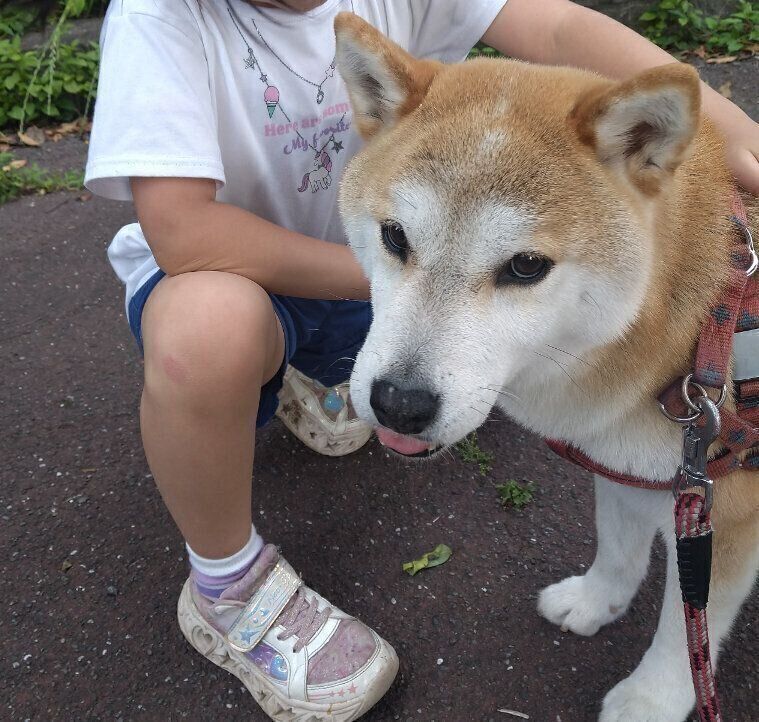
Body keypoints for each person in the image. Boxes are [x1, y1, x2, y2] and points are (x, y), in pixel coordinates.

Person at [83, 0, 759, 719]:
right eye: (400, 238)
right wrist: (420, 263)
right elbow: (183, 234)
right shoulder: (161, 18)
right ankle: (230, 585)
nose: (406, 389)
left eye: (524, 266)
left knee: (708, 492)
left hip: (370, 276)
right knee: (207, 331)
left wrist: (740, 136)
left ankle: (666, 659)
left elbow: (559, 26)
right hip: (266, 278)